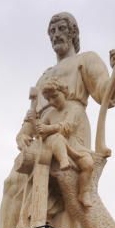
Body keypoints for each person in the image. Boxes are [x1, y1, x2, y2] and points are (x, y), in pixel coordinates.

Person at [0, 11, 115, 228]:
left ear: (73, 33)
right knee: (12, 183)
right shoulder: (45, 75)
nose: (56, 35)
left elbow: (105, 94)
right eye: (52, 31)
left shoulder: (85, 60)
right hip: (42, 131)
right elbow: (33, 113)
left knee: (54, 176)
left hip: (71, 125)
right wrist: (23, 132)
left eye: (61, 29)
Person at [35, 78, 94, 208]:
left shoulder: (75, 108)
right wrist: (39, 129)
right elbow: (40, 130)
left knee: (88, 164)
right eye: (48, 99)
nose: (52, 102)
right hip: (56, 144)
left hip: (75, 146)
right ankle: (63, 161)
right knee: (56, 138)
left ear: (64, 92)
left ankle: (84, 192)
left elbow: (68, 127)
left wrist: (48, 128)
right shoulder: (50, 114)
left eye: (55, 97)